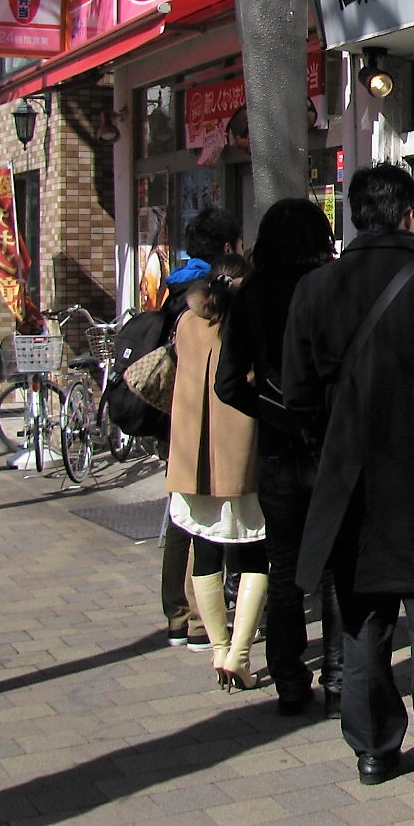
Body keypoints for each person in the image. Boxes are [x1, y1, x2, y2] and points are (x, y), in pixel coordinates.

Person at [284, 162, 414, 789]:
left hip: (351, 490)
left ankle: (374, 751)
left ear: (356, 218)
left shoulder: (315, 290)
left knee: (363, 627)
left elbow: (296, 396)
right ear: (409, 217)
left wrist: (329, 445)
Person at [215, 197, 341, 716]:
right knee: (335, 566)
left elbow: (227, 383)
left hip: (277, 452)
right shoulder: (332, 286)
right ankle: (340, 678)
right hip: (331, 445)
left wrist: (268, 409)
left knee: (285, 567)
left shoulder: (251, 295)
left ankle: (290, 679)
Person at [167, 252, 268, 691]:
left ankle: (217, 650)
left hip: (193, 459)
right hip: (242, 460)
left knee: (204, 552)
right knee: (255, 554)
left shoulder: (187, 324)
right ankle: (239, 656)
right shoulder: (251, 325)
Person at [161, 206, 243, 650]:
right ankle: (199, 623)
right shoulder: (212, 293)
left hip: (180, 416)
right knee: (203, 524)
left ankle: (177, 614)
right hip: (207, 419)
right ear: (228, 248)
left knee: (181, 518)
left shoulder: (175, 286)